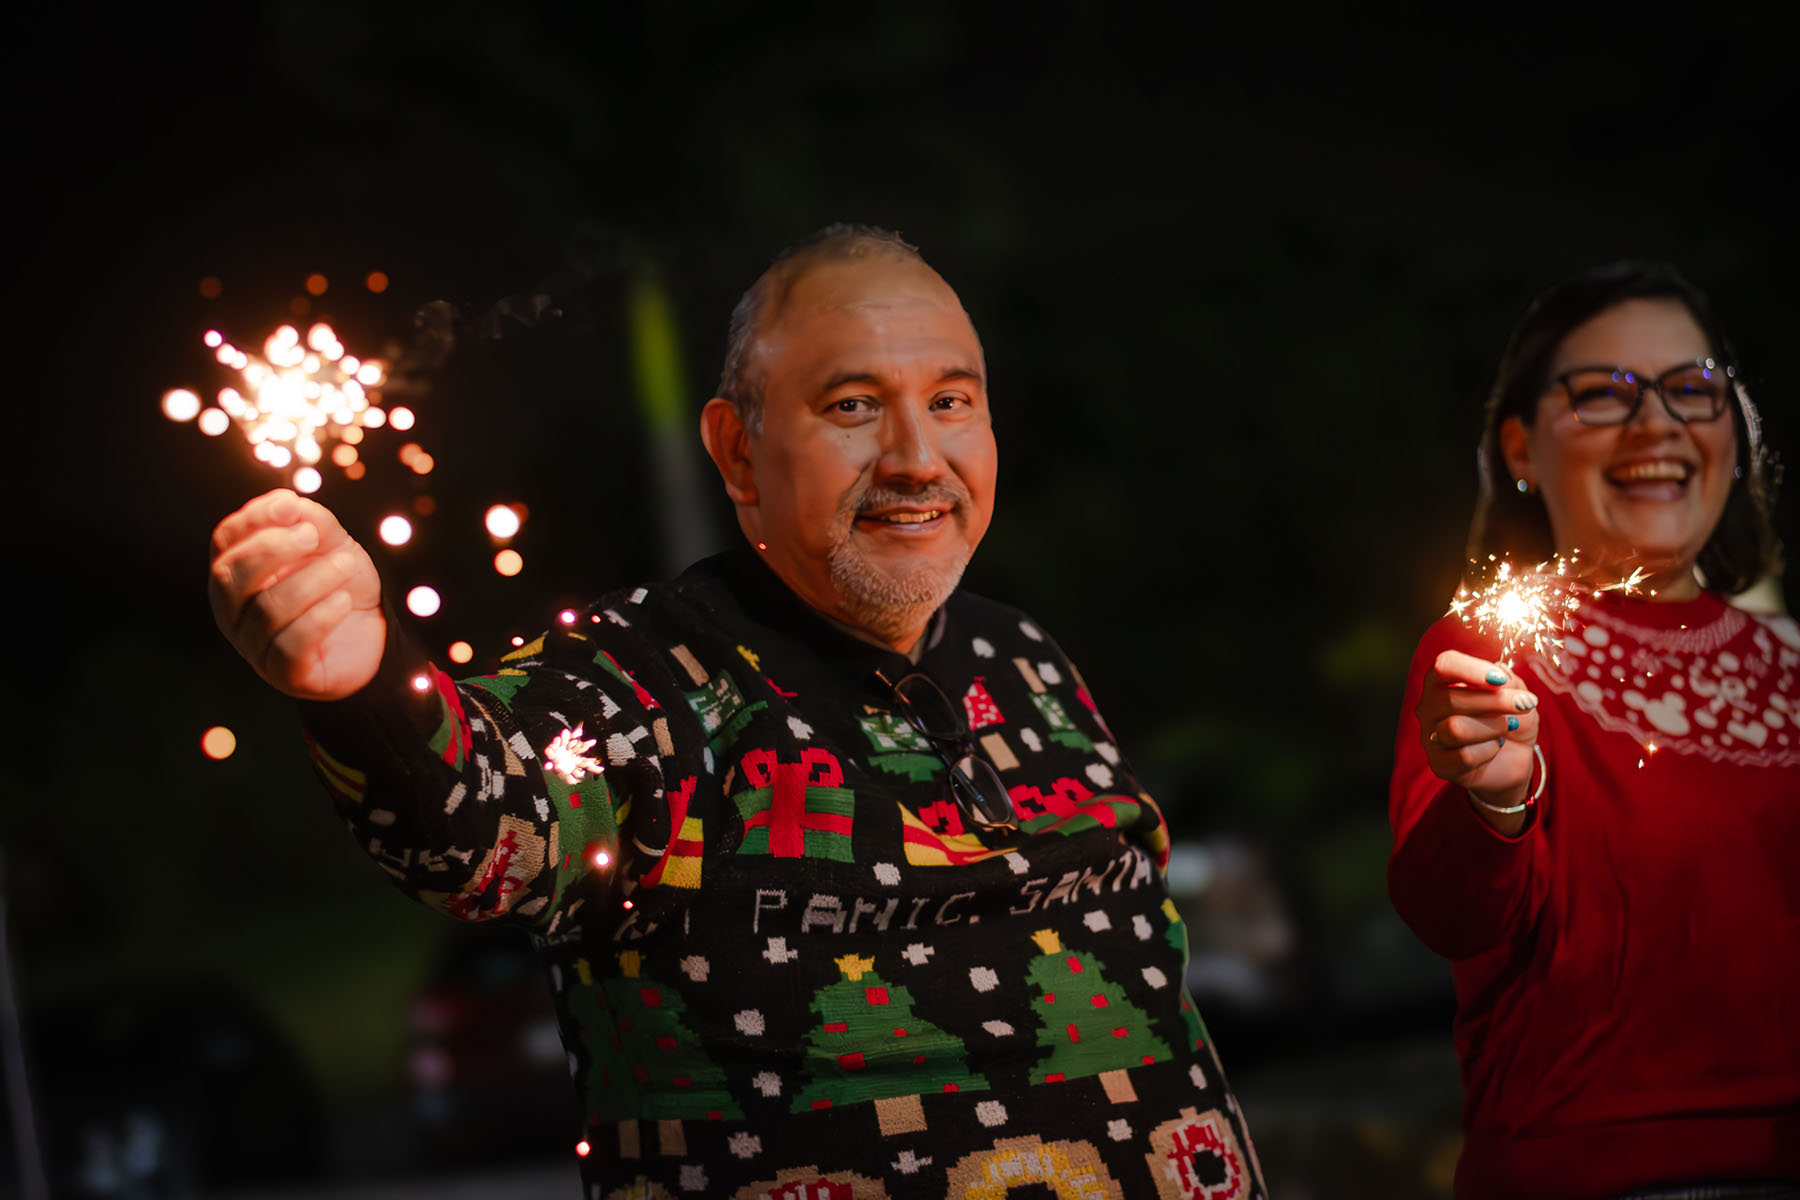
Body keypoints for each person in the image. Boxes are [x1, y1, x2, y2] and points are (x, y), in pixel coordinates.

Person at [209, 226, 1266, 1198]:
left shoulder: (1026, 653)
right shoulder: (643, 677)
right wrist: (359, 678)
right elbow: (480, 824)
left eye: (951, 401)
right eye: (853, 405)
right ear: (737, 450)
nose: (915, 456)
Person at [1388, 261, 1800, 1199]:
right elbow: (1448, 912)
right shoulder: (1483, 656)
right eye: (1604, 393)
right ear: (1522, 448)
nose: (1657, 422)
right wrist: (1494, 800)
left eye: (1693, 388)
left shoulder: (1794, 661)